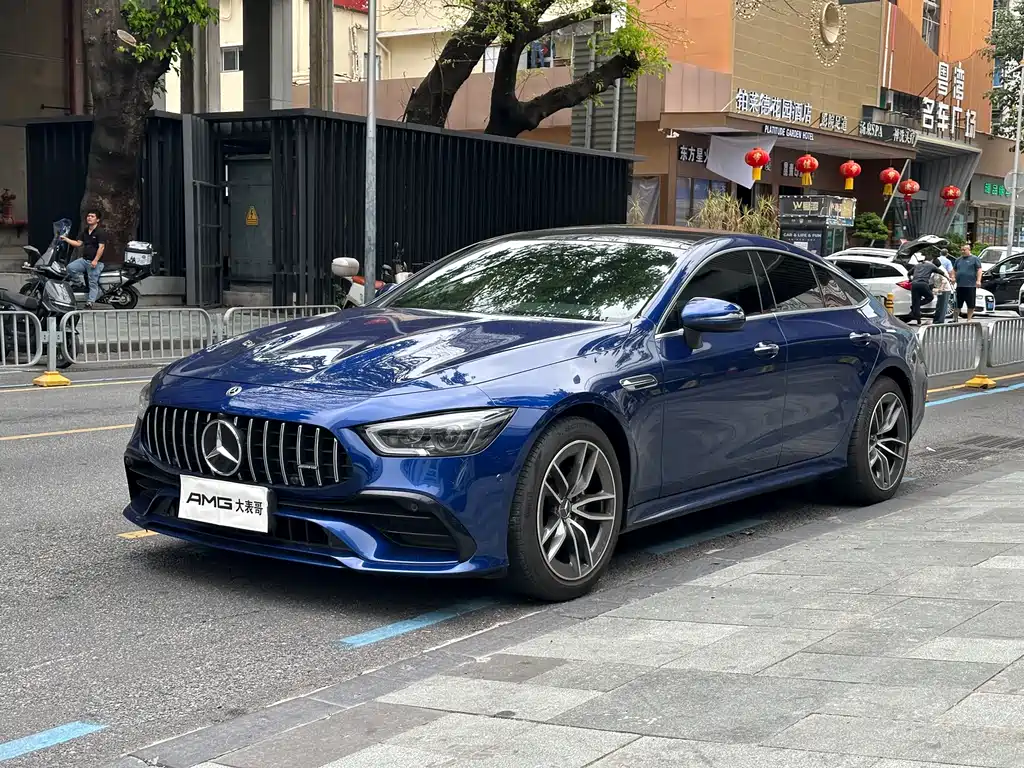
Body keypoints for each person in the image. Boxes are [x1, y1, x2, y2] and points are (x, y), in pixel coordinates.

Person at [61, 210, 107, 308]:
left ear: (97, 220)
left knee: (92, 282)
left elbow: (101, 247)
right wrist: (66, 239)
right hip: (85, 260)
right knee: (70, 268)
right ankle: (78, 284)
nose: (89, 218)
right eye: (88, 216)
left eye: (92, 216)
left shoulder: (100, 232)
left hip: (95, 262)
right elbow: (78, 244)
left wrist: (95, 260)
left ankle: (90, 302)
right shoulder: (85, 231)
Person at [908, 255, 945, 325]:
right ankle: (916, 306)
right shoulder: (931, 265)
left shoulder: (917, 265)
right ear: (931, 260)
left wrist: (910, 280)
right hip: (923, 284)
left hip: (914, 284)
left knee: (916, 301)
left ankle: (918, 321)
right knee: (930, 297)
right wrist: (948, 277)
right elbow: (940, 272)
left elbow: (909, 273)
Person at [953, 243, 983, 321]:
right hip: (960, 285)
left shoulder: (975, 259)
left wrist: (978, 280)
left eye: (964, 250)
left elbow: (979, 269)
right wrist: (953, 277)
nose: (962, 251)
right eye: (961, 250)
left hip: (970, 285)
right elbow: (954, 269)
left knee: (971, 304)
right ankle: (955, 319)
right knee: (957, 303)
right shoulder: (958, 260)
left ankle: (969, 319)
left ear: (969, 250)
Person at [930, 254, 954, 324]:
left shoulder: (941, 269)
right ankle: (936, 320)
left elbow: (944, 280)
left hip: (945, 290)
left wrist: (941, 289)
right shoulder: (936, 270)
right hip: (941, 289)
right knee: (939, 305)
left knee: (942, 306)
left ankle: (940, 321)